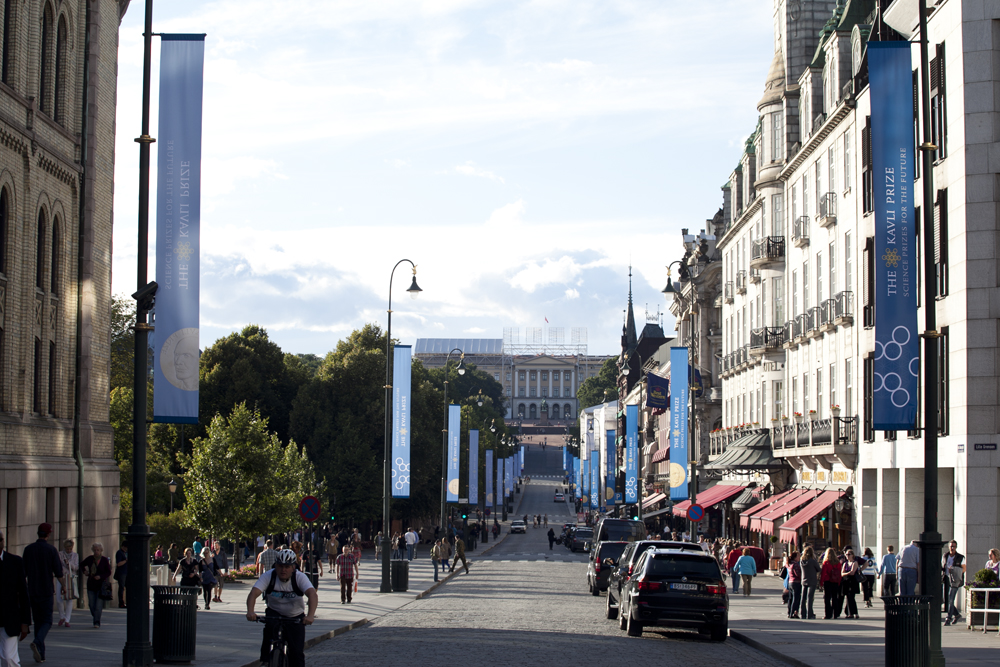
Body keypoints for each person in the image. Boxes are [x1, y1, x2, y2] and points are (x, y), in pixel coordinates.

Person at [247, 549, 317, 667]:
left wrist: (310, 616)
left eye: (287, 567)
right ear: (276, 566)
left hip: (295, 616)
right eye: (280, 566)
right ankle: (265, 661)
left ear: (293, 567)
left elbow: (312, 594)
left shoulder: (299, 577)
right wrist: (250, 612)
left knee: (296, 653)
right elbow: (253, 593)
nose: (283, 570)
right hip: (274, 612)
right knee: (268, 634)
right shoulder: (269, 576)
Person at [22, 522, 63, 663]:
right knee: (47, 621)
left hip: (32, 590)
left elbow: (23, 572)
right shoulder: (51, 550)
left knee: (38, 621)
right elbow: (58, 572)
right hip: (46, 590)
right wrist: (64, 587)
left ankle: (41, 654)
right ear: (49, 534)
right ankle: (37, 641)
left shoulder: (28, 549)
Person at [0, 530, 32, 667]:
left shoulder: (15, 562)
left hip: (9, 619)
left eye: (0, 539)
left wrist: (25, 622)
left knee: (9, 657)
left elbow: (24, 593)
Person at [80, 542, 112, 628]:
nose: (96, 552)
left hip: (101, 585)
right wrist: (85, 571)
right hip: (91, 584)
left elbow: (108, 572)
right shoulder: (90, 559)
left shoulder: (104, 560)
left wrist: (100, 576)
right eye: (95, 550)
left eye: (98, 550)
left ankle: (97, 622)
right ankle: (95, 617)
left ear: (101, 550)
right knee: (91, 604)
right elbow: (81, 564)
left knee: (98, 605)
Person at [942, 540, 966, 626]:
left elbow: (964, 569)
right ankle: (957, 614)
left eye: (954, 546)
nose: (952, 548)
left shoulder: (960, 557)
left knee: (951, 599)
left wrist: (955, 571)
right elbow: (943, 566)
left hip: (955, 580)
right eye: (951, 546)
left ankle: (948, 618)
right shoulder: (945, 555)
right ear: (948, 547)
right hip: (946, 578)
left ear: (956, 547)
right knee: (946, 599)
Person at [56, 539, 78, 628]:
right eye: (67, 548)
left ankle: (67, 619)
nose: (69, 550)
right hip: (61, 577)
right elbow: (57, 565)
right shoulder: (60, 554)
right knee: (59, 599)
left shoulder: (75, 555)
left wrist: (69, 564)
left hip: (70, 577)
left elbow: (76, 567)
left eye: (70, 548)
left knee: (69, 599)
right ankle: (62, 616)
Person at [799, 546, 821, 620]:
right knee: (810, 598)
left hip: (804, 580)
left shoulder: (801, 561)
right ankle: (810, 614)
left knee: (803, 598)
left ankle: (803, 614)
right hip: (812, 580)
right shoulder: (812, 561)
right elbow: (818, 569)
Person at [820, 548, 843, 619]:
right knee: (835, 598)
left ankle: (828, 614)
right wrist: (839, 582)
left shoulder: (826, 563)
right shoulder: (838, 563)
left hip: (827, 581)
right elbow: (840, 574)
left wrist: (821, 583)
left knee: (827, 599)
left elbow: (823, 574)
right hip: (835, 582)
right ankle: (835, 614)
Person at [841, 549, 861, 619]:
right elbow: (842, 573)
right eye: (846, 554)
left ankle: (854, 612)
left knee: (851, 597)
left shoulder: (855, 563)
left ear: (852, 555)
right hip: (846, 581)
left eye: (849, 554)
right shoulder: (845, 563)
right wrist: (847, 573)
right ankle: (849, 612)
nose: (847, 556)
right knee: (848, 597)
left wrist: (846, 573)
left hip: (853, 582)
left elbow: (852, 572)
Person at [786, 551, 802, 618]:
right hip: (796, 582)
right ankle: (793, 612)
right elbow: (797, 573)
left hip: (790, 582)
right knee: (796, 599)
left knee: (791, 598)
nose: (799, 557)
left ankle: (789, 612)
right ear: (795, 557)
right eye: (798, 556)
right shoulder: (795, 564)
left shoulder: (789, 563)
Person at [114, 541, 128, 608]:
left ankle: (126, 601)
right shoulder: (119, 553)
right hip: (121, 572)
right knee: (121, 587)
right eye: (125, 547)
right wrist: (126, 560)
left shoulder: (125, 553)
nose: (126, 549)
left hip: (126, 572)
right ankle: (121, 602)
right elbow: (118, 564)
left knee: (127, 587)